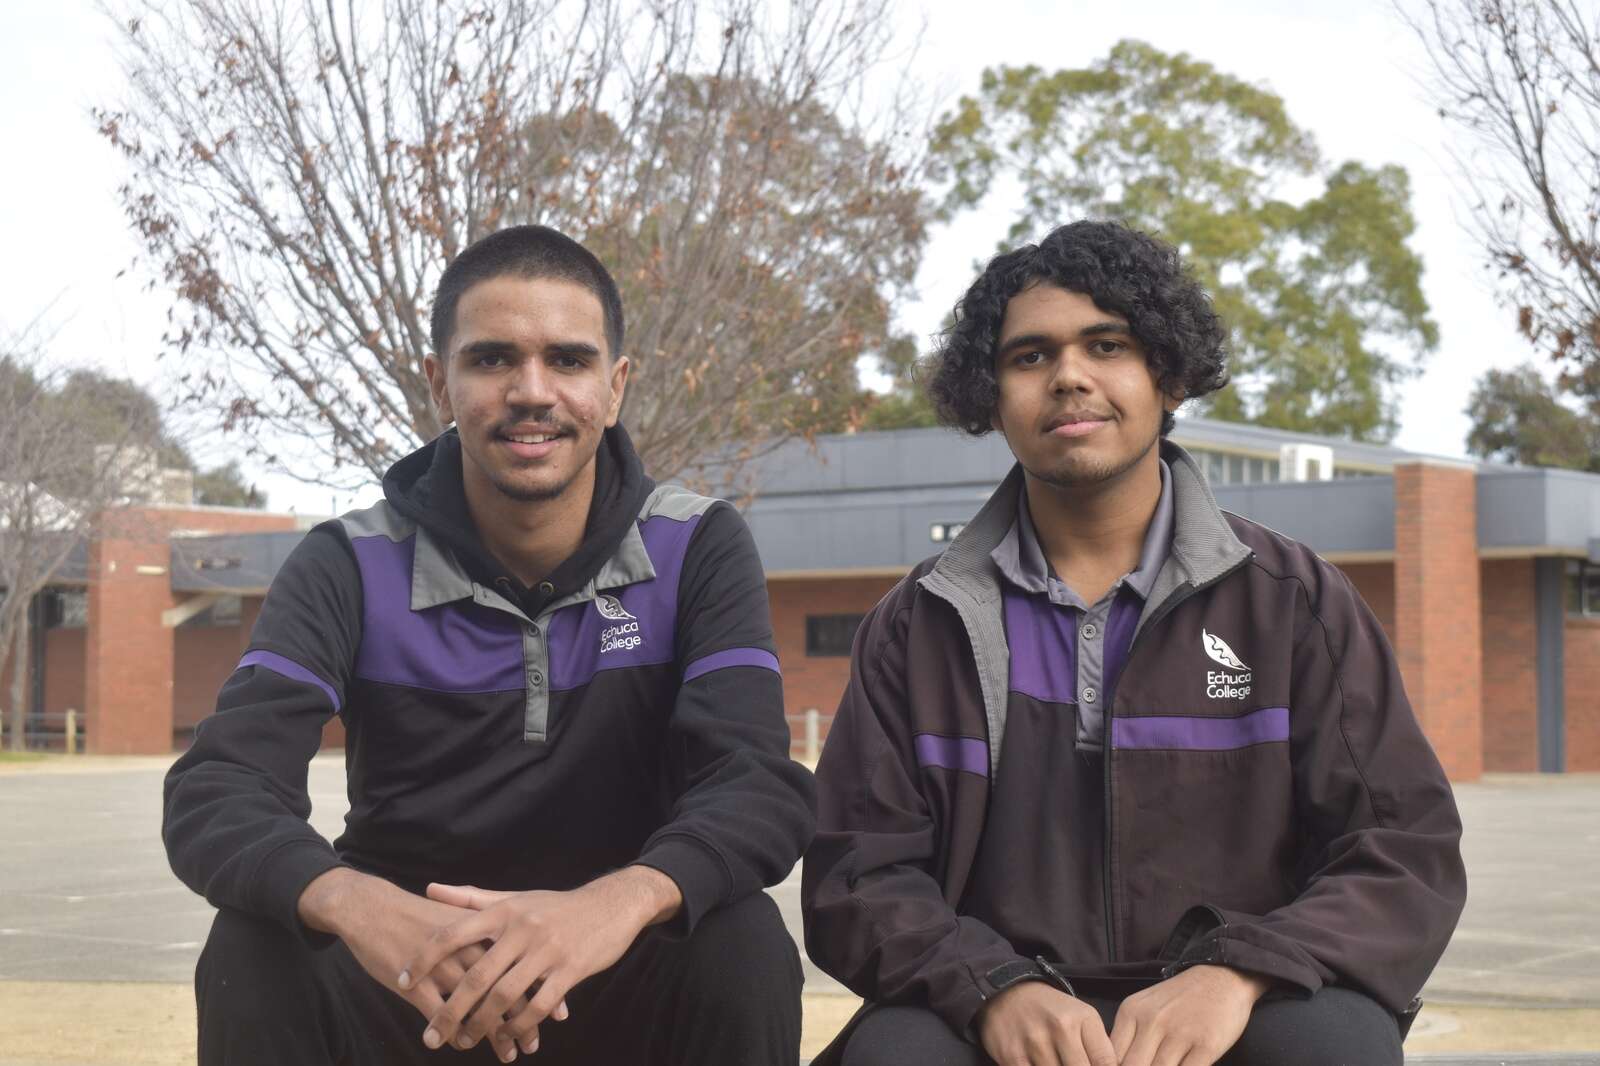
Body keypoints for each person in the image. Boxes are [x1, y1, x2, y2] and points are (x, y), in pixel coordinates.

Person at [801, 220, 1466, 1066]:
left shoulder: (1294, 602)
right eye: (1030, 356)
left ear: (1169, 376)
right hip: (995, 1009)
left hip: (1232, 1006)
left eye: (1107, 344)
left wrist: (1240, 975)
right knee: (895, 1053)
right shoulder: (921, 620)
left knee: (1337, 1041)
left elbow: (1401, 849)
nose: (1069, 376)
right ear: (992, 394)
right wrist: (991, 988)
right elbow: (857, 874)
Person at [164, 225, 815, 1066]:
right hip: (410, 979)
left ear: (614, 388)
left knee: (742, 941)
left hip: (609, 969)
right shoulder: (348, 564)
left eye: (570, 361)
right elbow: (219, 787)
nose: (532, 391)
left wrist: (609, 906)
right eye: (493, 359)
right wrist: (356, 903)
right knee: (255, 945)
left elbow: (756, 784)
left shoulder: (697, 547)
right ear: (442, 381)